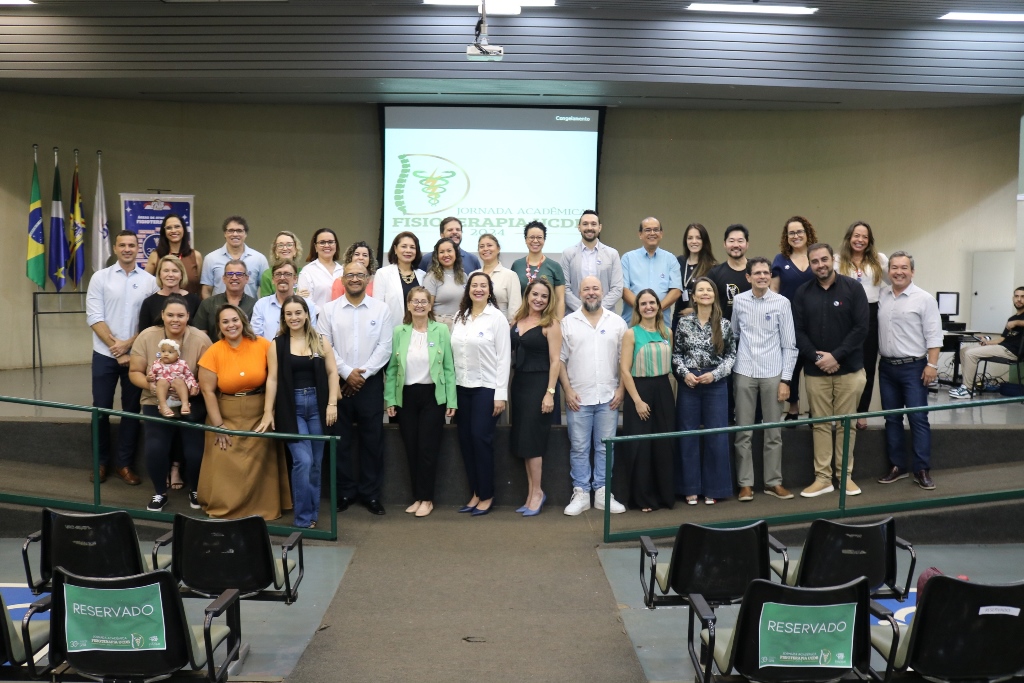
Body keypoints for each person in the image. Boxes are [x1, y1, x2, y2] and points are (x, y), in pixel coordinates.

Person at [197, 304, 291, 520]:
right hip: (225, 413)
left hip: (259, 411)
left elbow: (275, 378)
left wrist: (271, 412)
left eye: (235, 320)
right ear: (219, 326)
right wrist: (218, 425)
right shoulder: (214, 351)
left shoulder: (263, 345)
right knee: (225, 458)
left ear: (243, 321)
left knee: (260, 464)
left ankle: (261, 510)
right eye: (225, 321)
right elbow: (207, 391)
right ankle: (226, 508)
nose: (231, 325)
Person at [792, 243, 869, 498]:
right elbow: (798, 332)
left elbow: (861, 328)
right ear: (810, 264)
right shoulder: (803, 293)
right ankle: (823, 478)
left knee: (846, 425)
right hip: (815, 372)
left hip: (849, 370)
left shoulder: (853, 288)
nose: (820, 265)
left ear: (832, 260)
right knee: (821, 425)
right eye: (815, 261)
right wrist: (818, 358)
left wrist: (836, 356)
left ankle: (844, 476)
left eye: (824, 259)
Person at [317, 261, 394, 515]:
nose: (355, 279)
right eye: (350, 275)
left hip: (369, 383)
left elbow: (385, 346)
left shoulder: (381, 310)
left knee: (373, 441)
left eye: (360, 275)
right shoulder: (328, 310)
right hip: (337, 382)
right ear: (343, 279)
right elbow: (324, 345)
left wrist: (362, 374)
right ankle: (345, 492)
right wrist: (346, 372)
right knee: (341, 441)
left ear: (368, 278)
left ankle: (371, 495)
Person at [260, 296, 341, 529]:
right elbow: (272, 379)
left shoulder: (321, 341)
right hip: (291, 407)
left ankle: (311, 515)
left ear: (306, 314)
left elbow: (333, 373)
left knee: (316, 464)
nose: (294, 317)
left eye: (298, 312)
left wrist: (332, 404)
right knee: (303, 461)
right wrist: (268, 411)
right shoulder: (277, 344)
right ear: (283, 318)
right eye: (289, 314)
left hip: (318, 406)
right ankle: (302, 519)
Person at [86, 230, 157, 485]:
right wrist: (116, 348)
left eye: (132, 245)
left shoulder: (150, 281)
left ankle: (124, 464)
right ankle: (100, 463)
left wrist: (127, 347)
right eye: (122, 245)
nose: (127, 249)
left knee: (131, 410)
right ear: (115, 248)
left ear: (138, 249)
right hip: (104, 355)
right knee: (101, 409)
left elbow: (150, 323)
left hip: (136, 357)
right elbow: (94, 317)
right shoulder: (100, 278)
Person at [129, 295, 211, 511]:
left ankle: (195, 490)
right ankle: (159, 492)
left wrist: (196, 388)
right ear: (163, 315)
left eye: (181, 315)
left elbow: (208, 376)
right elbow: (135, 372)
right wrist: (154, 387)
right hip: (155, 400)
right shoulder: (147, 337)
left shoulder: (201, 339)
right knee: (156, 447)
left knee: (195, 451)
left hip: (190, 402)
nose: (176, 320)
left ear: (188, 317)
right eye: (171, 315)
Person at [384, 287, 457, 519]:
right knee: (411, 448)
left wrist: (451, 399)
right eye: (414, 301)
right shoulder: (399, 331)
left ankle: (427, 499)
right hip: (406, 396)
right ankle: (418, 497)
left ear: (429, 305)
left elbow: (448, 367)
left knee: (427, 449)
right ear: (408, 305)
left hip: (432, 396)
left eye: (423, 301)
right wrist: (390, 399)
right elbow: (393, 369)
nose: (419, 305)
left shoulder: (441, 331)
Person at [731, 257, 798, 502]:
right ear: (748, 277)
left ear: (770, 276)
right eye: (757, 273)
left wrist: (786, 381)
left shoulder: (782, 303)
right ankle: (745, 484)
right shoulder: (739, 301)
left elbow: (790, 346)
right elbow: (735, 334)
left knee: (773, 432)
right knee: (743, 432)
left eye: (766, 273)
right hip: (744, 372)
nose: (762, 276)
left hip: (773, 374)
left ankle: (773, 482)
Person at [560, 276, 628, 516]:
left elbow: (624, 361)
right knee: (578, 447)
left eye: (595, 288)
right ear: (579, 293)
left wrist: (621, 389)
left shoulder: (618, 323)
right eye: (586, 289)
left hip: (609, 396)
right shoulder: (568, 322)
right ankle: (580, 493)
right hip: (578, 397)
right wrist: (567, 390)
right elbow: (560, 360)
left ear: (603, 292)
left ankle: (602, 492)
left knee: (604, 448)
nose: (591, 292)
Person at [875, 251, 942, 491]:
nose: (899, 272)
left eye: (904, 268)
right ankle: (897, 466)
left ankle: (921, 469)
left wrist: (932, 366)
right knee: (891, 419)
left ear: (912, 271)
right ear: (889, 271)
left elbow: (934, 336)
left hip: (915, 368)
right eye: (894, 267)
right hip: (887, 368)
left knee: (918, 419)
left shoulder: (924, 299)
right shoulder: (882, 295)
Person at [450, 272, 511, 517]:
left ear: (489, 290)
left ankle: (487, 494)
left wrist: (500, 394)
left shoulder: (496, 318)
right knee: (465, 441)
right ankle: (475, 492)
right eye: (474, 285)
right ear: (468, 290)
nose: (478, 289)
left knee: (480, 439)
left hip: (487, 388)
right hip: (461, 387)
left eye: (483, 286)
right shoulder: (459, 316)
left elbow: (504, 358)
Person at [673, 277, 737, 505]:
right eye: (701, 290)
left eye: (709, 289)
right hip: (689, 382)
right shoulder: (684, 323)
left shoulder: (724, 324)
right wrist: (684, 373)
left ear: (714, 295)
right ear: (694, 296)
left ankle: (714, 488)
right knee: (687, 435)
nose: (705, 293)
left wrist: (715, 374)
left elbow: (731, 356)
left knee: (716, 435)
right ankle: (689, 487)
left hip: (715, 383)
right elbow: (676, 354)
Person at [618, 289, 675, 512]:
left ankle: (664, 496)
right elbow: (624, 370)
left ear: (659, 306)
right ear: (638, 308)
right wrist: (637, 401)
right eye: (643, 303)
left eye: (652, 302)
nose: (648, 306)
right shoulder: (631, 334)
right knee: (641, 448)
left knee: (664, 445)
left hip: (663, 390)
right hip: (639, 391)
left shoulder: (667, 332)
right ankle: (643, 499)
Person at [510, 278, 562, 516]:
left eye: (544, 296)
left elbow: (555, 362)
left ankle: (538, 493)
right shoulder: (517, 320)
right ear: (527, 295)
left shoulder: (551, 324)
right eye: (535, 294)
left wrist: (550, 393)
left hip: (540, 385)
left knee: (533, 442)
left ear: (549, 300)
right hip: (519, 384)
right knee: (523, 440)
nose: (539, 299)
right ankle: (531, 494)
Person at [837, 221, 890, 429]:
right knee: (845, 363)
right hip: (845, 316)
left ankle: (862, 412)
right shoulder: (837, 260)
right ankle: (843, 412)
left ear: (869, 241)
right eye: (856, 236)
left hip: (870, 314)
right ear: (849, 238)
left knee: (867, 365)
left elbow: (894, 280)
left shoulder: (879, 260)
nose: (860, 240)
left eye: (864, 237)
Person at [771, 216, 819, 423]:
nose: (796, 236)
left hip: (815, 321)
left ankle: (816, 410)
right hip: (787, 322)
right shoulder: (780, 260)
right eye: (792, 233)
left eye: (800, 231)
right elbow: (773, 290)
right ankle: (793, 407)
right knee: (790, 366)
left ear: (807, 234)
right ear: (786, 236)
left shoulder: (817, 257)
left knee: (814, 365)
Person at [949, 287, 1024, 399]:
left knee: (971, 354)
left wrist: (1016, 322)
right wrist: (988, 342)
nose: (1019, 299)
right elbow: (1002, 339)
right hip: (1003, 347)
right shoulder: (1011, 318)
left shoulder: (1016, 320)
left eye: (1022, 297)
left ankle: (968, 389)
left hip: (1013, 351)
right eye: (1017, 296)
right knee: (964, 351)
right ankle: (967, 386)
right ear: (1013, 298)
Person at [621, 217, 682, 327]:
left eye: (656, 230)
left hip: (661, 324)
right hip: (633, 323)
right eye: (648, 230)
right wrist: (642, 308)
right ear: (640, 234)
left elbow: (676, 290)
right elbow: (623, 289)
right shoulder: (628, 258)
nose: (652, 233)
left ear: (661, 233)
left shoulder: (670, 259)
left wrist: (655, 309)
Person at [560, 209, 623, 315]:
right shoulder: (568, 254)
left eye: (593, 224)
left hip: (606, 316)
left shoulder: (612, 254)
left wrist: (598, 309)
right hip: (575, 315)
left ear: (600, 227)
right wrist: (582, 310)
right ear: (579, 227)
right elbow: (564, 288)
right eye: (585, 224)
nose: (589, 228)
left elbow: (617, 288)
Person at [200, 215, 268, 299]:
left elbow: (266, 290)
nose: (235, 234)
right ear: (225, 233)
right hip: (219, 310)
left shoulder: (259, 259)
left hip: (249, 311)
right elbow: (206, 290)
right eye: (231, 231)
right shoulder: (210, 259)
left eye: (239, 231)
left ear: (245, 234)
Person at [511, 221, 566, 319]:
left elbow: (560, 299)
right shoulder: (517, 265)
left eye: (539, 237)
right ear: (525, 240)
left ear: (544, 240)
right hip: (522, 319)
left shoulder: (554, 266)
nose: (535, 241)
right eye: (531, 237)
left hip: (547, 320)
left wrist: (559, 323)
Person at [251, 260, 317, 340]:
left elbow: (312, 336)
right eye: (278, 274)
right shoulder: (261, 305)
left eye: (287, 274)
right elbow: (256, 337)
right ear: (272, 279)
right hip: (267, 351)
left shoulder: (308, 305)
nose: (282, 278)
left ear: (295, 279)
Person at [193, 259, 257, 340]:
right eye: (230, 274)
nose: (234, 277)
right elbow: (199, 336)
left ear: (247, 279)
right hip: (214, 350)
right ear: (224, 279)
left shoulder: (255, 305)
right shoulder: (208, 304)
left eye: (239, 274)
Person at [372, 231, 426, 326]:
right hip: (392, 330)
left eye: (412, 247)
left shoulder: (423, 275)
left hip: (419, 330)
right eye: (404, 246)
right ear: (395, 249)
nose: (408, 250)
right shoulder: (383, 274)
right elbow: (377, 307)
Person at [144, 214, 203, 297]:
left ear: (183, 229)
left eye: (177, 226)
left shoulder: (196, 256)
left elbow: (201, 288)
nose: (173, 230)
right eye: (169, 228)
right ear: (164, 232)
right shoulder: (155, 255)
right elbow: (145, 285)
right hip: (163, 307)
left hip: (191, 307)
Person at [137, 255, 200, 329]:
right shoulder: (149, 302)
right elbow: (143, 334)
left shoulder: (194, 300)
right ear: (159, 274)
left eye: (175, 271)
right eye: (166, 271)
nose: (170, 275)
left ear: (181, 275)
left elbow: (199, 332)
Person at [672, 222, 716, 327]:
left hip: (700, 320)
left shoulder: (712, 267)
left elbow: (716, 299)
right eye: (690, 238)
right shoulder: (678, 262)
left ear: (704, 241)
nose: (694, 241)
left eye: (698, 238)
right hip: (678, 318)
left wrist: (694, 310)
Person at [707, 224, 751, 322]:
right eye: (731, 241)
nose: (736, 245)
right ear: (724, 244)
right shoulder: (715, 274)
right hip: (724, 333)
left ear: (747, 244)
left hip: (752, 332)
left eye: (740, 241)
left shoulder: (756, 272)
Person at [476, 233, 522, 322]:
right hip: (476, 327)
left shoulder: (510, 275)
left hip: (501, 326)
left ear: (498, 249)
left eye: (489, 245)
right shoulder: (473, 275)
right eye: (482, 246)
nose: (485, 249)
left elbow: (515, 308)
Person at [423, 237, 466, 328]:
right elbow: (426, 308)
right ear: (437, 256)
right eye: (441, 252)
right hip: (439, 325)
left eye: (449, 251)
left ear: (456, 253)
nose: (446, 255)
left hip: (461, 325)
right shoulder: (431, 277)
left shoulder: (464, 276)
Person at [149, 338, 199, 418]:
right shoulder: (156, 364)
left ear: (178, 355)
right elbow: (151, 377)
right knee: (162, 382)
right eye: (163, 351)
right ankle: (163, 406)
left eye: (170, 352)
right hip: (164, 395)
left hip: (178, 395)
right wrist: (150, 382)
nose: (166, 354)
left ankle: (185, 404)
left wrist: (193, 386)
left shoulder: (182, 364)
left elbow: (189, 376)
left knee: (179, 381)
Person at [296, 228, 343, 309]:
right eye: (322, 242)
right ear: (315, 247)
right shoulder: (307, 271)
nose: (327, 245)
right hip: (318, 319)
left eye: (330, 242)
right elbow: (306, 302)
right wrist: (325, 315)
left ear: (336, 245)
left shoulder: (344, 271)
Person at [418, 216, 482, 273]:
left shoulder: (472, 260)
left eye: (458, 230)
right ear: (442, 235)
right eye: (450, 230)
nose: (455, 232)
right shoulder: (426, 259)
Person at [259, 231, 304, 297]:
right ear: (275, 251)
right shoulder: (267, 275)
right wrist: (295, 297)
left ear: (295, 250)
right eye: (280, 245)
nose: (285, 248)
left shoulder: (304, 273)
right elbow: (265, 303)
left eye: (289, 245)